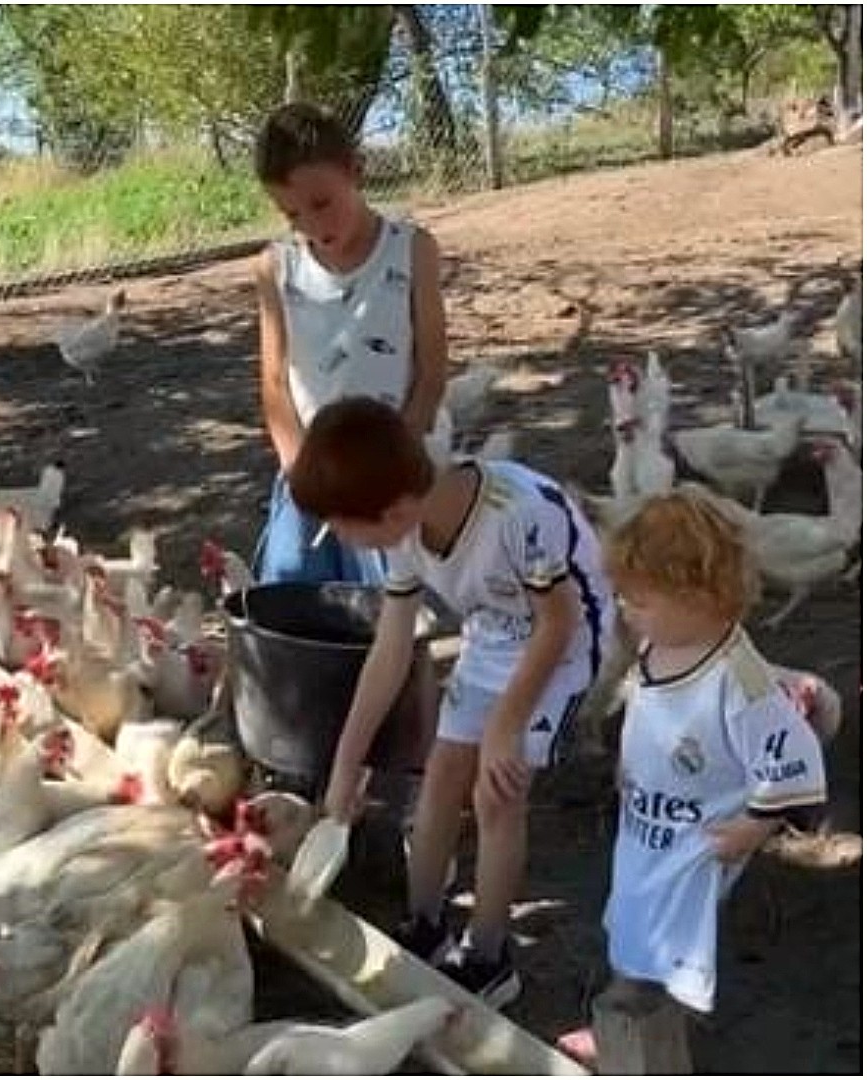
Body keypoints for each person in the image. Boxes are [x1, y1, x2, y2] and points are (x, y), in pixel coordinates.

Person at [295, 397, 611, 1006]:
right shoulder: (402, 532)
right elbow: (390, 647)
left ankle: (489, 955)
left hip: (563, 645)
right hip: (494, 631)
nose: (337, 538)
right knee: (441, 772)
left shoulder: (519, 515)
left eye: (342, 525)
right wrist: (344, 767)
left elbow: (559, 622)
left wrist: (505, 726)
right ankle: (424, 925)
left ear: (394, 510)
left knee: (497, 792)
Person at [564, 491, 825, 1054]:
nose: (627, 612)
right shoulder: (659, 646)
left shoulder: (741, 678)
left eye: (639, 600)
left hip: (698, 836)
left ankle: (646, 1029)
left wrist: (755, 826)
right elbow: (653, 716)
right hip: (647, 821)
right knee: (631, 916)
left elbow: (791, 754)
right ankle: (633, 1014)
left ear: (697, 594)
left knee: (672, 935)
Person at [250, 101, 449, 585]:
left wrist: (395, 459)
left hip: (388, 470)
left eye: (321, 203)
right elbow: (275, 382)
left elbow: (432, 370)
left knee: (387, 606)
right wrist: (299, 468)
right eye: (292, 213)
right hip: (313, 471)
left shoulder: (412, 249)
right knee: (290, 592)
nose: (313, 227)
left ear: (355, 172)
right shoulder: (275, 268)